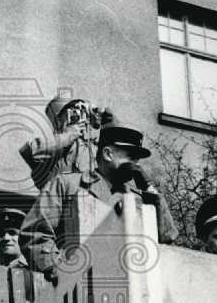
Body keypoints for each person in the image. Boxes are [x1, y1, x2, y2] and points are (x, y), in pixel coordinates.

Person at [20, 116, 175, 278]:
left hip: (128, 286)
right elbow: (35, 233)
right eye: (130, 157)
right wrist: (57, 268)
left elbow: (166, 239)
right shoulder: (67, 184)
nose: (136, 165)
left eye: (137, 159)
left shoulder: (139, 199)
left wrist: (149, 188)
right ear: (108, 154)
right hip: (78, 284)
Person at [19, 96, 103, 191]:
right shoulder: (50, 151)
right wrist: (67, 136)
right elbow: (27, 150)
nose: (77, 114)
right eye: (71, 111)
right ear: (58, 121)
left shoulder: (93, 150)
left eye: (80, 110)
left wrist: (98, 113)